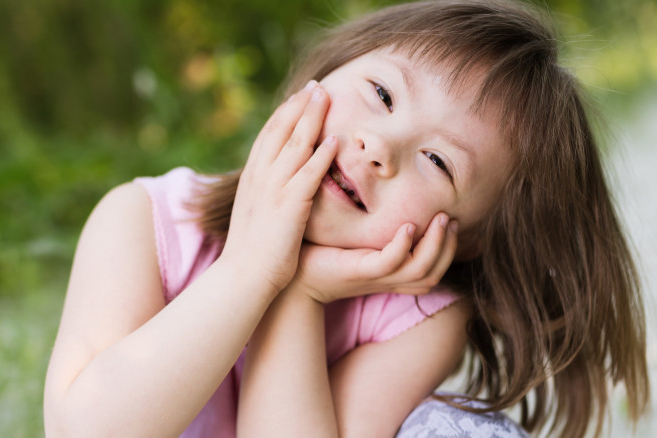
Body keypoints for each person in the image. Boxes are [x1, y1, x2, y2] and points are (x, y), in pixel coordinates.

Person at [43, 0, 650, 436]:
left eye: (437, 162)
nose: (380, 147)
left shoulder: (421, 318)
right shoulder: (146, 221)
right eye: (382, 95)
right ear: (320, 77)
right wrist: (252, 266)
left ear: (462, 242)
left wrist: (299, 294)